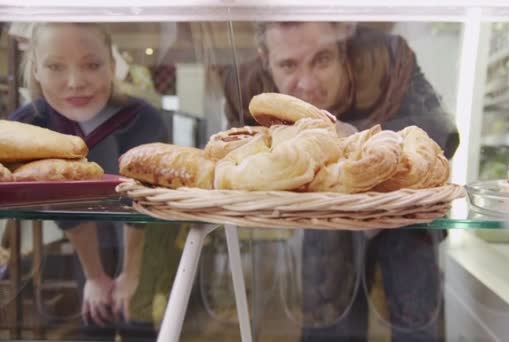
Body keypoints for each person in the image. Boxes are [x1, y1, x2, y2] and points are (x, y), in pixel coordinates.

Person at [219, 22, 459, 341]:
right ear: (264, 58)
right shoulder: (246, 83)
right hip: (329, 207)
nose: (306, 83)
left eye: (322, 60)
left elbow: (441, 132)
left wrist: (359, 146)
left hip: (403, 206)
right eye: (288, 65)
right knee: (328, 318)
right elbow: (237, 151)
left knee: (415, 317)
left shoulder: (386, 57)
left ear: (343, 47)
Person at [9, 22, 168, 341]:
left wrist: (131, 273)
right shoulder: (28, 126)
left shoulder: (143, 119)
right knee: (95, 319)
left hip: (147, 238)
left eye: (92, 65)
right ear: (36, 70)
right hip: (80, 240)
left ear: (111, 65)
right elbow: (63, 204)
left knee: (136, 319)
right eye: (55, 66)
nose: (75, 82)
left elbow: (142, 205)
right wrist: (95, 276)